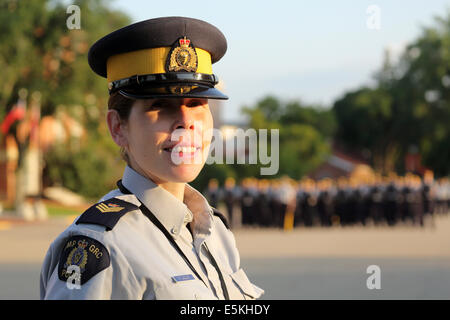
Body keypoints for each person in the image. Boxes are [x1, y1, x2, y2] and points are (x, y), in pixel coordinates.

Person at [40, 16, 263, 300]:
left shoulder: (213, 230)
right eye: (161, 106)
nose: (186, 121)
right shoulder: (100, 246)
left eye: (196, 104)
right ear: (118, 127)